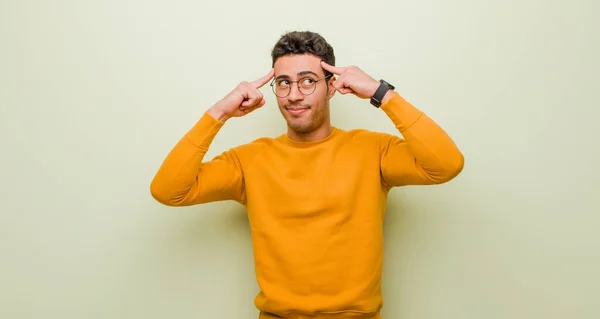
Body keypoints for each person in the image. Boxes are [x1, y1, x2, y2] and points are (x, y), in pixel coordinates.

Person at [150, 31, 464, 319]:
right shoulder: (248, 160)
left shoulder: (374, 151)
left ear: (332, 87)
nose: (294, 94)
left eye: (308, 81)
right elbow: (169, 190)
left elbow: (446, 164)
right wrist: (218, 113)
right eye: (284, 82)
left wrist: (381, 93)